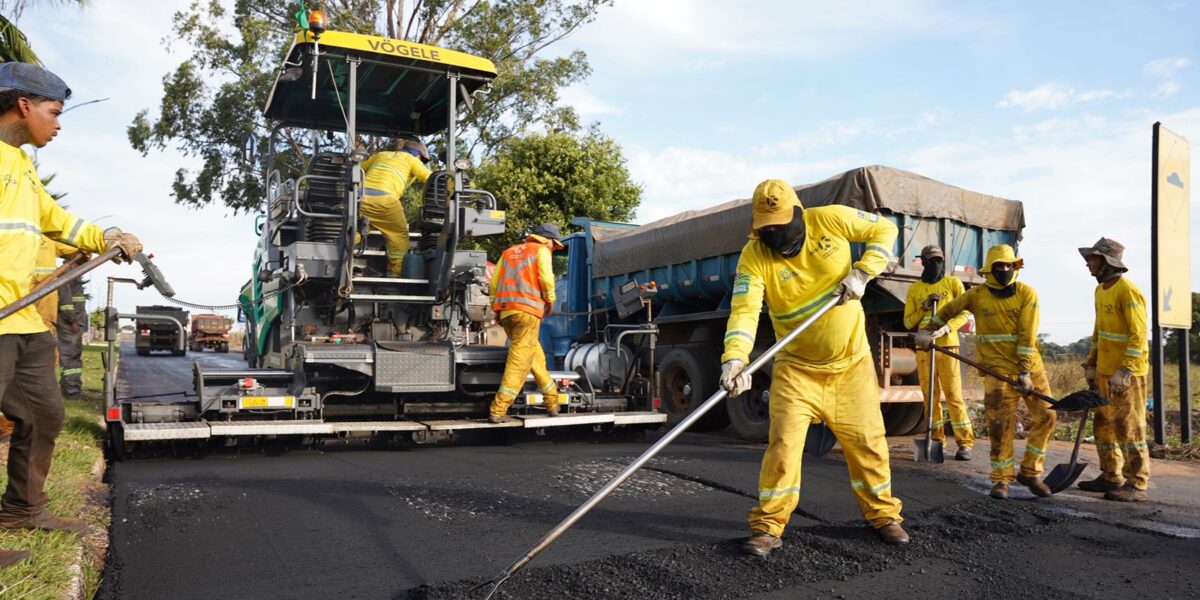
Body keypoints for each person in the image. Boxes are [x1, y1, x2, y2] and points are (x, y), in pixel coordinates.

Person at [0, 62, 142, 567]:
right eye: (54, 113)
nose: (58, 125)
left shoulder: (19, 163)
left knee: (44, 413)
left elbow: (56, 221)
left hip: (20, 321)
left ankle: (22, 509)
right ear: (23, 106)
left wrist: (104, 238)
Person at [720, 179, 908, 556]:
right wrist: (736, 359)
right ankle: (768, 527)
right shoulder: (753, 256)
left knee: (868, 444)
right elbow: (745, 311)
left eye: (779, 225)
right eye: (765, 229)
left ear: (798, 213)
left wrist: (864, 270)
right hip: (795, 369)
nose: (772, 234)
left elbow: (885, 228)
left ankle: (883, 515)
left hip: (850, 364)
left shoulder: (831, 221)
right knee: (784, 447)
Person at [918, 244, 1055, 500]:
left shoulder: (1027, 293)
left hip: (1030, 369)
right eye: (998, 266)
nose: (1004, 270)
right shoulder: (977, 295)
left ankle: (1031, 470)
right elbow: (949, 310)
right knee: (999, 427)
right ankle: (1001, 480)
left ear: (1015, 267)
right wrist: (929, 330)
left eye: (1008, 265)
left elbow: (1027, 334)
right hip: (996, 371)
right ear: (989, 270)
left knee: (1047, 417)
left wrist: (1025, 371)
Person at [1076, 238, 1150, 502]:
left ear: (1107, 261)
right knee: (1104, 425)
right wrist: (1092, 364)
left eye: (1093, 259)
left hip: (1126, 375)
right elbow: (1099, 332)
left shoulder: (1127, 290)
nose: (1088, 264)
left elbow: (1138, 334)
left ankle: (1137, 483)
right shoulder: (1101, 291)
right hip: (1106, 372)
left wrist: (1126, 370)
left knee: (1128, 427)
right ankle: (1111, 475)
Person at [903, 244, 975, 460]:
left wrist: (947, 327)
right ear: (922, 263)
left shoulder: (953, 283)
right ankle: (936, 440)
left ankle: (964, 443)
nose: (935, 264)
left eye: (939, 260)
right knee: (930, 397)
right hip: (924, 348)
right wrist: (924, 306)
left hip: (947, 345)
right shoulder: (915, 289)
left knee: (953, 396)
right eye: (931, 261)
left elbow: (965, 312)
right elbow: (908, 322)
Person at [487, 223, 564, 423]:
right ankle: (499, 409)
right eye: (554, 245)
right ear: (547, 239)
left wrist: (496, 307)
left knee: (533, 355)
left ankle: (552, 401)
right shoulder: (542, 250)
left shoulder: (508, 252)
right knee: (519, 362)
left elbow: (494, 282)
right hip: (528, 313)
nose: (553, 249)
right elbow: (546, 279)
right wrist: (550, 302)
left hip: (507, 313)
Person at [359, 138, 432, 277]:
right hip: (385, 201)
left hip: (361, 200)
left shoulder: (381, 155)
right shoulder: (412, 160)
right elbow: (430, 178)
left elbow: (358, 168)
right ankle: (396, 273)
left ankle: (342, 264)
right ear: (417, 154)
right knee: (399, 235)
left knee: (355, 232)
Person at [57, 268, 88, 399]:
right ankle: (72, 392)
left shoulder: (74, 274)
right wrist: (72, 321)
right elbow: (66, 302)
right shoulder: (68, 273)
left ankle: (67, 389)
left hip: (74, 323)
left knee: (69, 359)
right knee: (71, 359)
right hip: (70, 325)